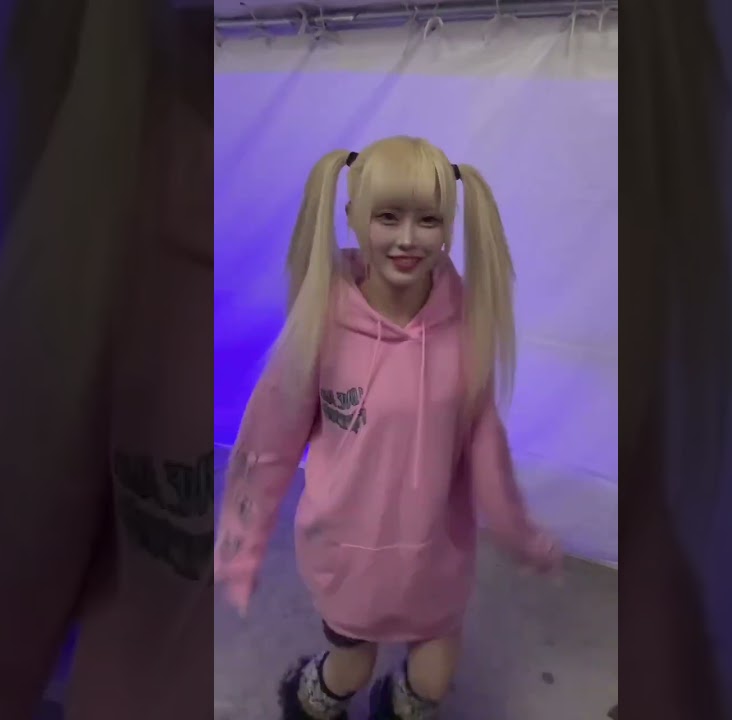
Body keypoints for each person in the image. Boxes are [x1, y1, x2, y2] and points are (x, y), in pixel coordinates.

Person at [213, 136, 562, 720]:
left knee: (432, 680)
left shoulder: (467, 328)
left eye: (428, 220)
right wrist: (241, 545)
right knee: (350, 668)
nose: (407, 239)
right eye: (388, 217)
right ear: (353, 216)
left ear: (448, 227)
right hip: (348, 560)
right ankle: (309, 699)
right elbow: (268, 447)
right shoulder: (320, 326)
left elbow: (487, 452)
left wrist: (520, 533)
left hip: (436, 558)